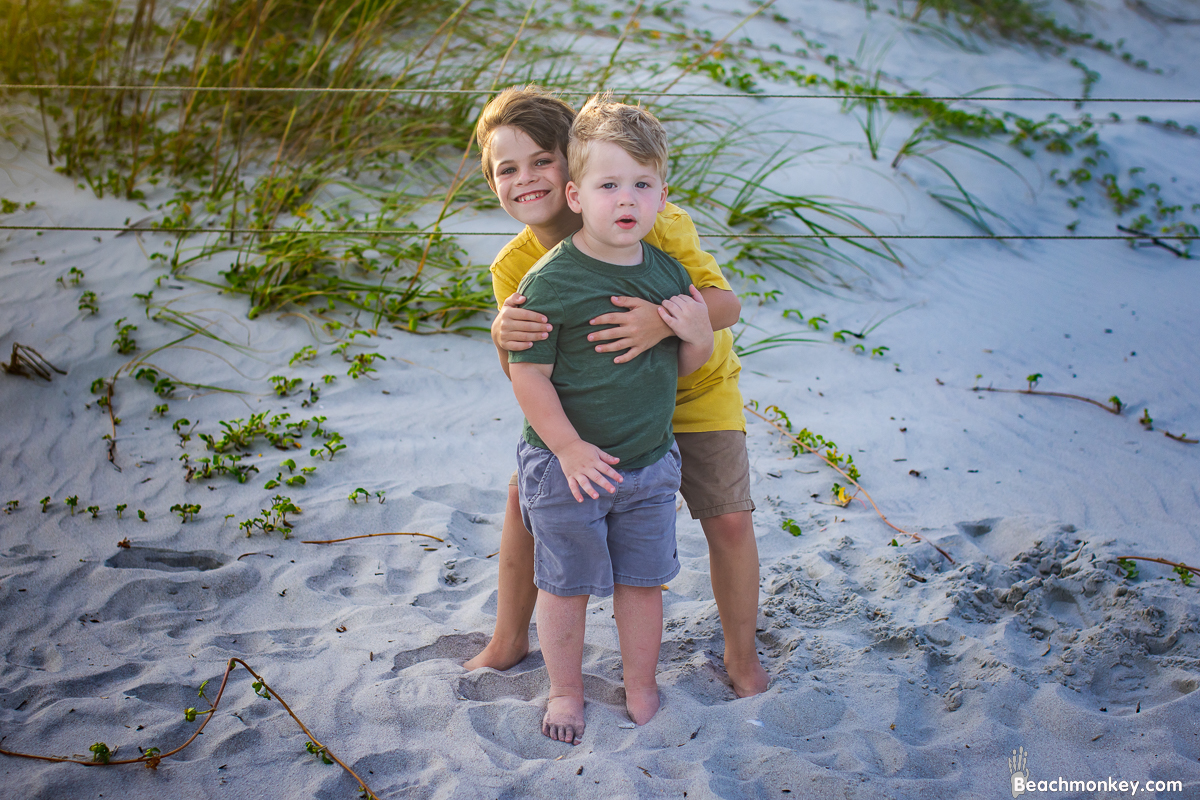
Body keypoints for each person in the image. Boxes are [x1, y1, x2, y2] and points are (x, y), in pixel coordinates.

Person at [465, 85, 769, 700]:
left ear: (571, 162)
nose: (528, 180)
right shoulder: (515, 264)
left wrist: (660, 319)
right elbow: (526, 369)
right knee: (527, 496)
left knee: (731, 518)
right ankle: (508, 637)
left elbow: (725, 302)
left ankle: (742, 656)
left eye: (542, 161)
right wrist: (502, 334)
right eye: (507, 169)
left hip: (692, 389)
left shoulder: (644, 214)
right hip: (596, 413)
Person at [509, 94, 714, 743]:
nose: (625, 198)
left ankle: (641, 683)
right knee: (565, 587)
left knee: (642, 583)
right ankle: (566, 692)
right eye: (608, 185)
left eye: (641, 184)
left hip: (649, 464)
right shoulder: (552, 281)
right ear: (575, 195)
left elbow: (677, 370)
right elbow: (529, 374)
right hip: (567, 466)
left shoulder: (668, 274)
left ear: (660, 197)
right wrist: (567, 447)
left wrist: (698, 334)